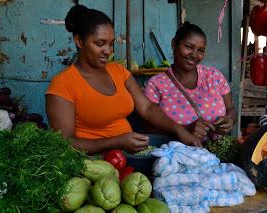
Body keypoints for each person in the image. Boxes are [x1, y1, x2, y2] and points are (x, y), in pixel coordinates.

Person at [45, 5, 201, 155]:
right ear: (79, 41)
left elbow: (147, 108)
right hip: (93, 165)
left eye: (111, 44)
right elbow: (64, 142)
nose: (108, 51)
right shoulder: (63, 84)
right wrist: (115, 142)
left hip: (128, 157)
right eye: (100, 43)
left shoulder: (118, 72)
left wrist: (180, 130)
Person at [144, 22, 237, 140]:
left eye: (200, 50)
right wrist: (185, 129)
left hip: (216, 153)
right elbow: (148, 126)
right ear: (174, 44)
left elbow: (231, 109)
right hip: (175, 154)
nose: (194, 55)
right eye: (188, 47)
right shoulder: (156, 84)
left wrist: (229, 120)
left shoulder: (214, 76)